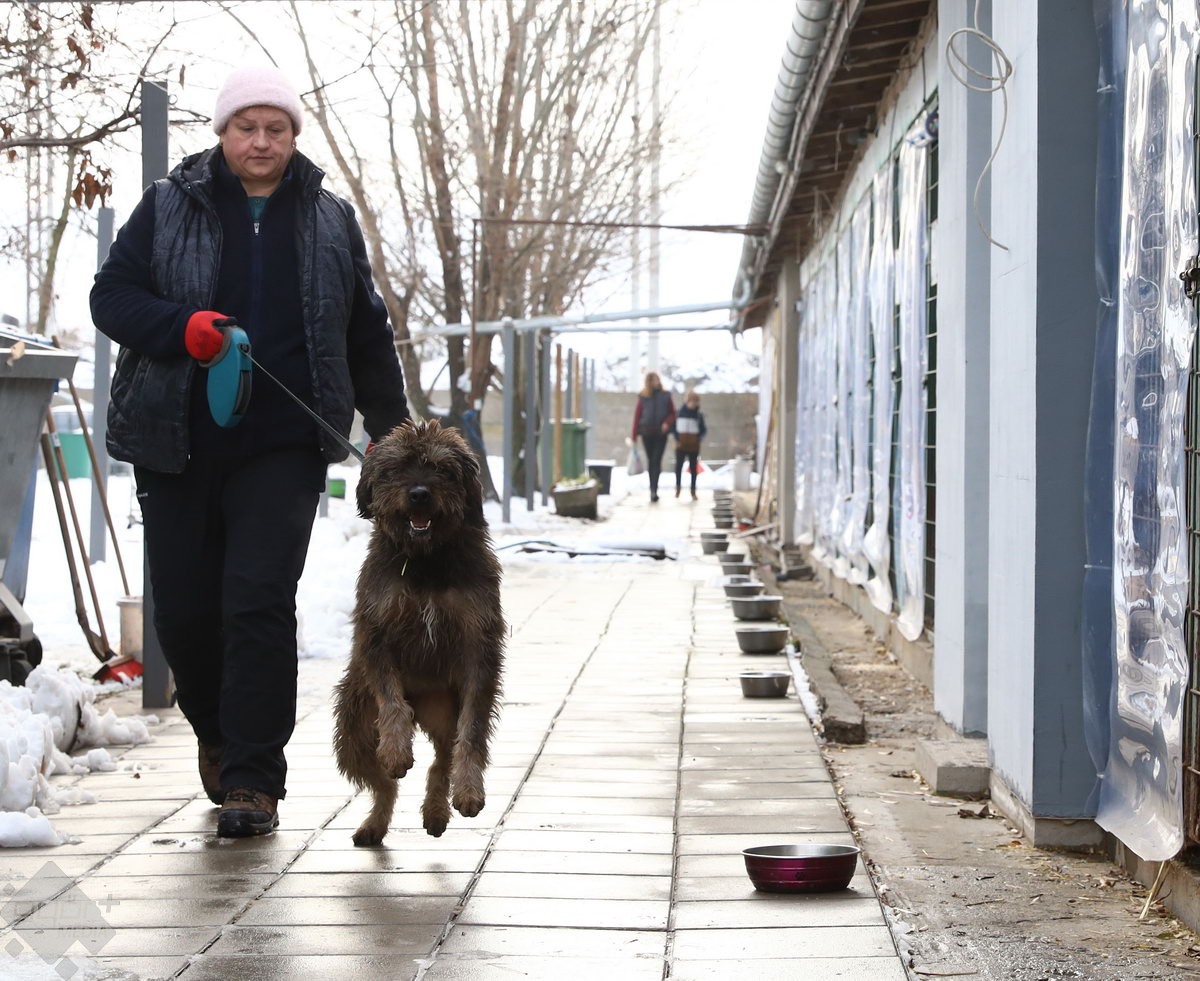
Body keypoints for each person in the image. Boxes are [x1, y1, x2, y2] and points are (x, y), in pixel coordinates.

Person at [90, 66, 410, 837]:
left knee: (258, 602)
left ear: (293, 136)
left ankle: (253, 777)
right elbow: (111, 298)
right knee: (186, 612)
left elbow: (366, 330)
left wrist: (394, 434)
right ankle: (217, 733)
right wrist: (182, 327)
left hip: (284, 445)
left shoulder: (329, 218)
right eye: (247, 127)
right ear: (223, 132)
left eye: (275, 128)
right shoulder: (170, 205)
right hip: (176, 441)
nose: (261, 141)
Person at [631, 371, 675, 503]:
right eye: (652, 380)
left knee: (656, 460)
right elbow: (637, 416)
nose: (655, 382)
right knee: (651, 461)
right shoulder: (643, 397)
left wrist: (667, 423)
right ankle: (652, 490)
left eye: (656, 379)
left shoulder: (666, 395)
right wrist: (634, 435)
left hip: (661, 434)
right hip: (647, 433)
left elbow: (672, 413)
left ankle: (654, 489)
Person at [672, 390, 707, 500]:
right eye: (692, 401)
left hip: (693, 445)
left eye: (696, 402)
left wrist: (698, 438)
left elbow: (703, 430)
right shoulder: (679, 413)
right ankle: (678, 487)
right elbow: (673, 427)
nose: (694, 404)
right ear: (687, 401)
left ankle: (693, 490)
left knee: (693, 468)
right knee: (678, 467)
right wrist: (677, 438)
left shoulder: (699, 415)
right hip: (680, 444)